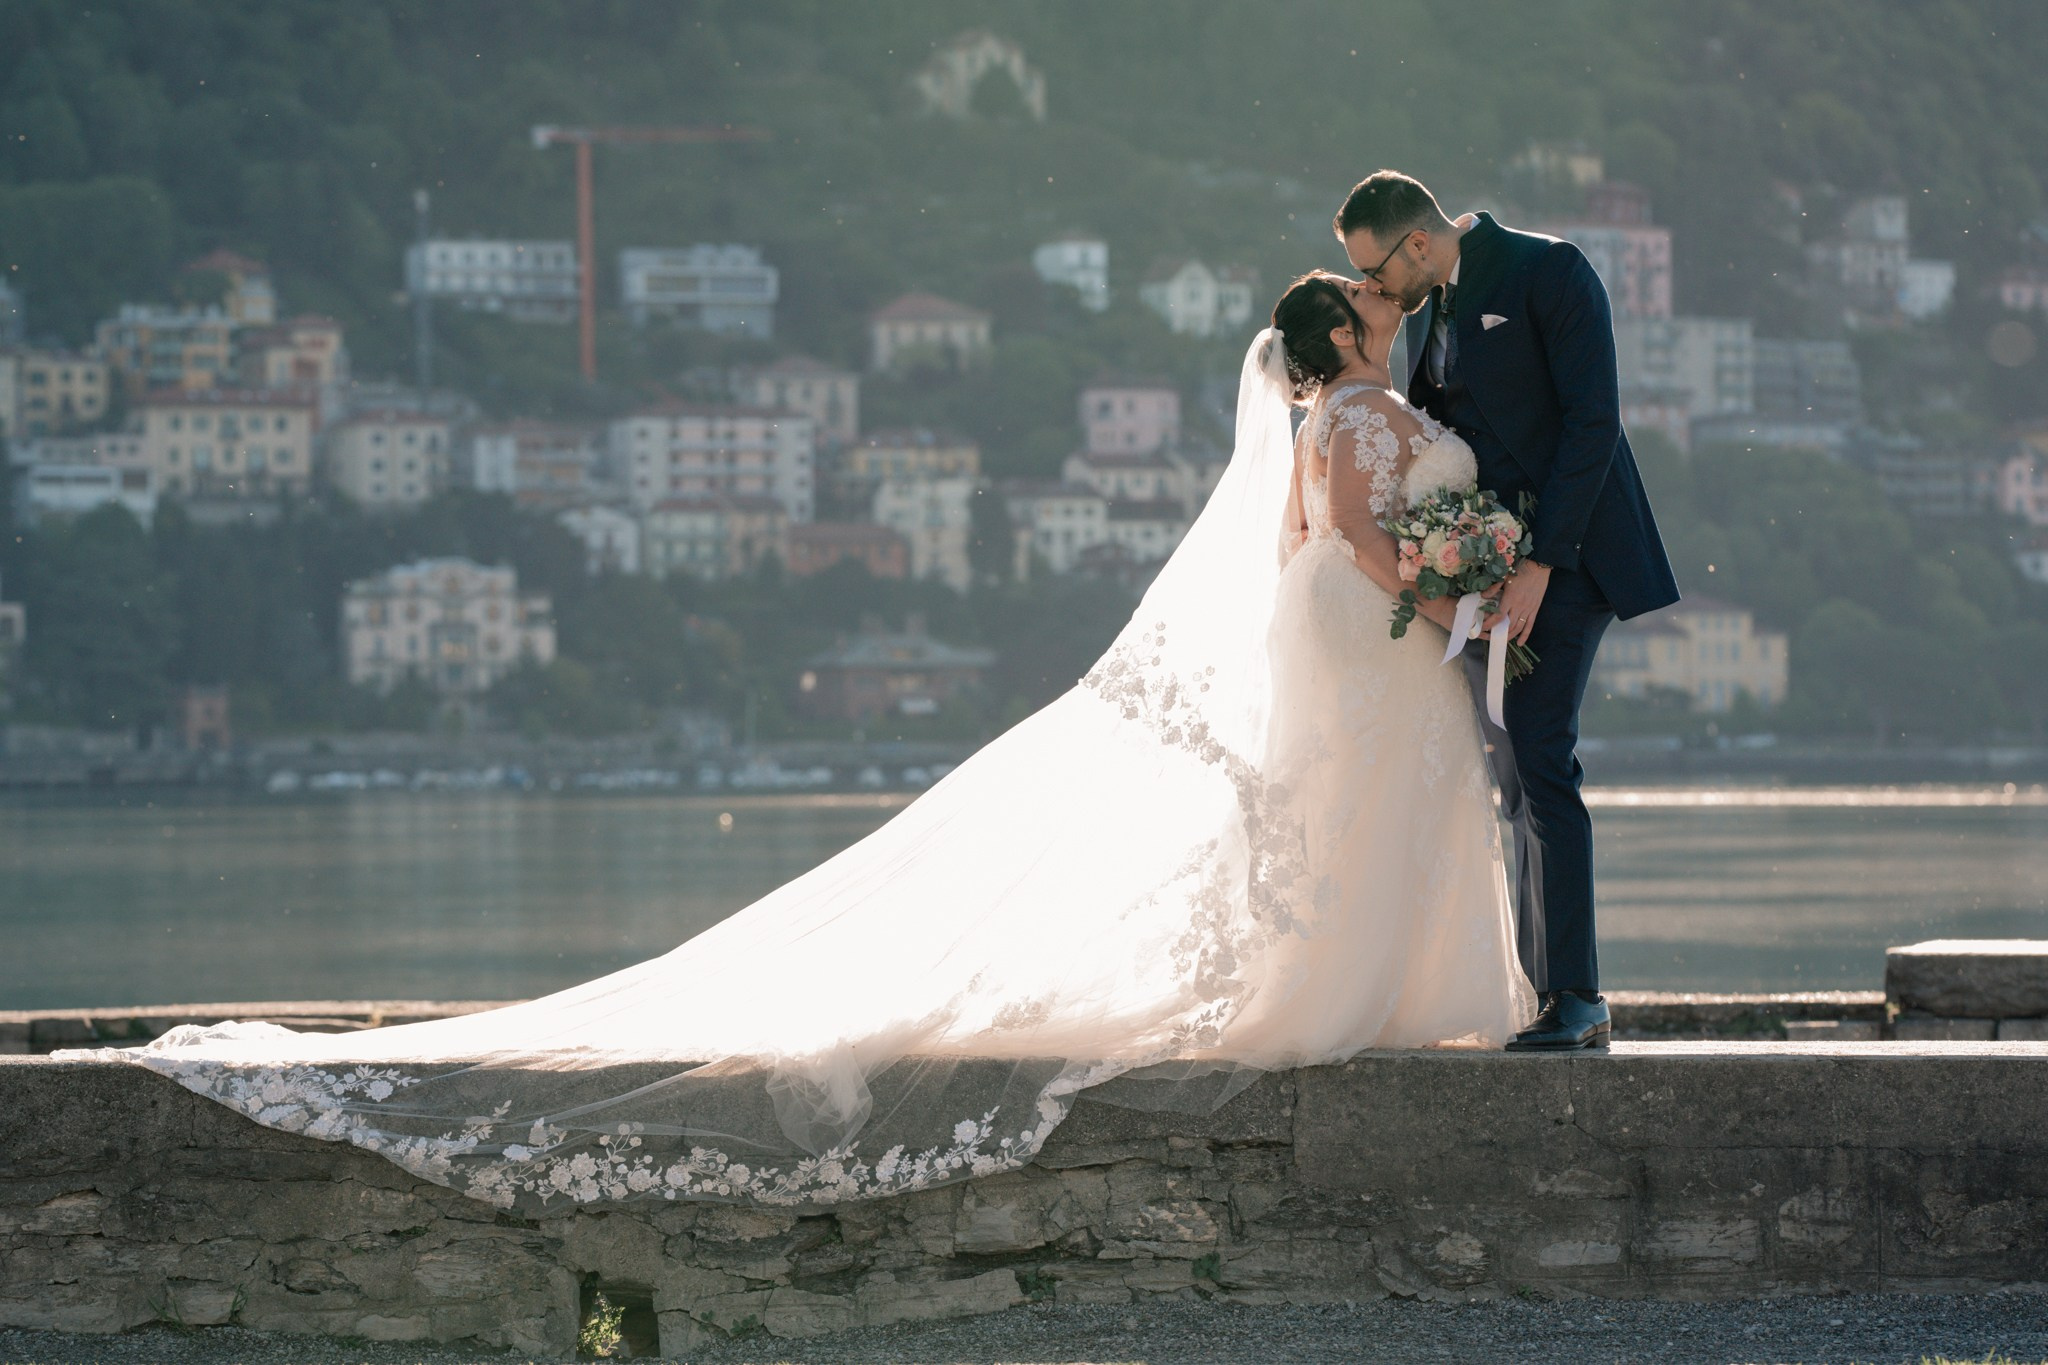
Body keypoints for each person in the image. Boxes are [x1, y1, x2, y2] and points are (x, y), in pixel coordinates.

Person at [52, 286, 1530, 1216]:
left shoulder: (1366, 405)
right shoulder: (1343, 414)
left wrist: (1450, 577)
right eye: (1365, 301)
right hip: (1375, 625)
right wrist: (1445, 581)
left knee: (1369, 814)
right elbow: (1328, 534)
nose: (1384, 313)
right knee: (1349, 814)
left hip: (1376, 637)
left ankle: (1380, 985)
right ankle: (1346, 993)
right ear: (1334, 335)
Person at [1336, 170, 1682, 1051]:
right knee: (1512, 777)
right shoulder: (1433, 312)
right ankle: (1545, 989)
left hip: (1570, 563)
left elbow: (1593, 423)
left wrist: (1538, 562)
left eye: (1376, 271)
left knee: (1541, 757)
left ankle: (1579, 997)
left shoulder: (1551, 270)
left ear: (1418, 242)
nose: (1376, 291)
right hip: (1490, 573)